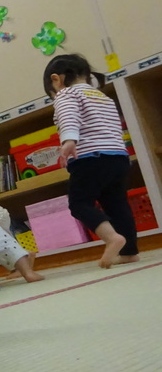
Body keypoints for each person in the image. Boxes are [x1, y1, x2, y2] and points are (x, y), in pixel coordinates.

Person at [43, 53, 139, 268]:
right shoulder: (102, 96)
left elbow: (68, 116)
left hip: (90, 158)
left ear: (56, 80)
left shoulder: (66, 94)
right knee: (117, 205)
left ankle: (112, 238)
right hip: (118, 158)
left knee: (79, 203)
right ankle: (129, 252)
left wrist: (68, 140)